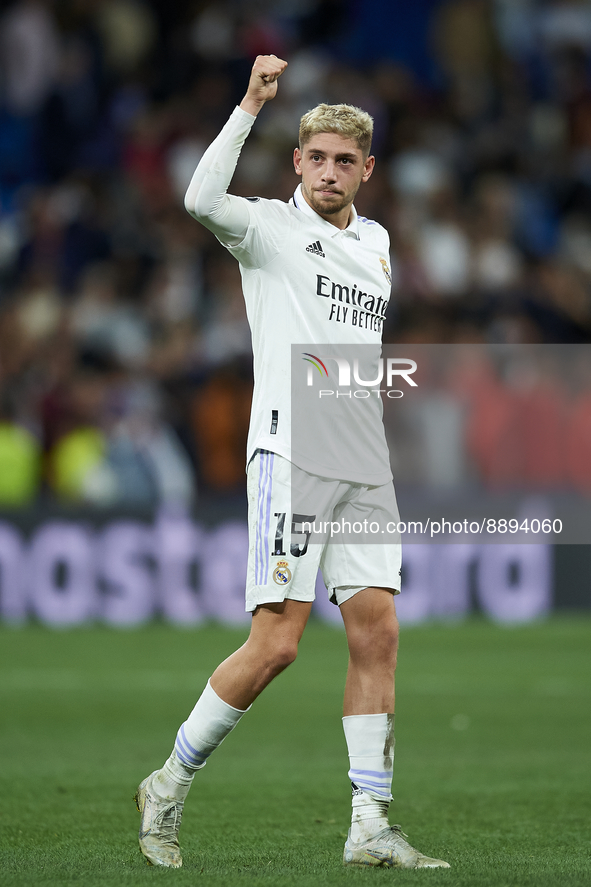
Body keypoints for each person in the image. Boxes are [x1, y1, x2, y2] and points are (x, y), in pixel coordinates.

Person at [134, 55, 450, 871]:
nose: (330, 171)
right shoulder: (268, 228)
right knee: (276, 643)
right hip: (291, 446)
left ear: (366, 169)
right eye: (316, 156)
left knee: (377, 632)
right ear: (297, 162)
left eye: (346, 159)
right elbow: (199, 199)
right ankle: (167, 782)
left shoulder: (377, 244)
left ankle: (369, 821)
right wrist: (248, 104)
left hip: (362, 458)